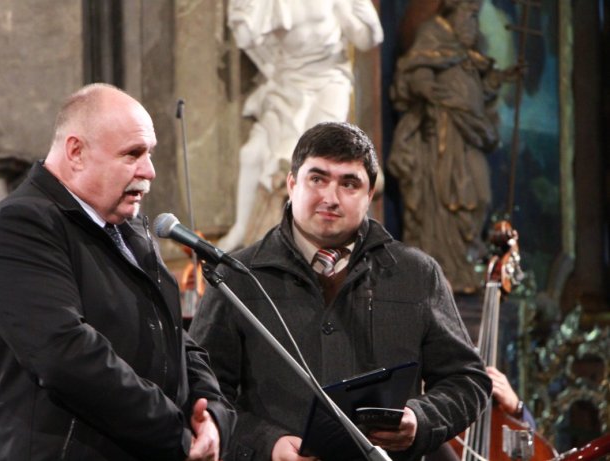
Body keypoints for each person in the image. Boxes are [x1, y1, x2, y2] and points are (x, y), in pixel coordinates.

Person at [189, 121, 491, 461]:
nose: (330, 198)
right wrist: (267, 445)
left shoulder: (417, 274)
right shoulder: (235, 276)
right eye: (317, 179)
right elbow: (205, 393)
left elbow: (467, 381)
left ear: (370, 193)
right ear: (292, 184)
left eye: (349, 184)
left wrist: (420, 420)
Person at [0, 83, 235, 461]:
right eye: (133, 154)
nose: (150, 171)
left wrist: (211, 414)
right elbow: (65, 356)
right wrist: (176, 432)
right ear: (76, 152)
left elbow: (175, 334)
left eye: (150, 154)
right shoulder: (21, 225)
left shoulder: (130, 228)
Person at [218, 0, 384, 252]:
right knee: (252, 154)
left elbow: (368, 38)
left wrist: (358, 11)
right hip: (287, 84)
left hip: (327, 82)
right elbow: (246, 37)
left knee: (312, 157)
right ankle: (243, 229)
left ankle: (316, 241)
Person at [387, 0, 519, 293]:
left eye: (475, 18)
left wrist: (499, 78)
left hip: (469, 135)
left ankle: (465, 262)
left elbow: (477, 92)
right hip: (441, 139)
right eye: (470, 17)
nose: (473, 26)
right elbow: (413, 73)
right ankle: (442, 269)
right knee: (448, 197)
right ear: (453, 14)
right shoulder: (431, 37)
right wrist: (428, 90)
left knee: (480, 196)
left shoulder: (466, 56)